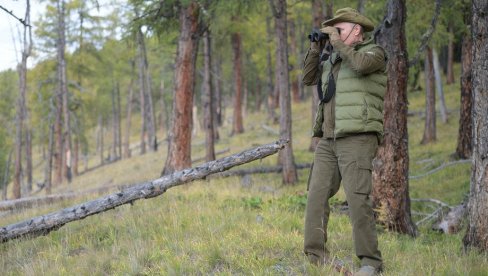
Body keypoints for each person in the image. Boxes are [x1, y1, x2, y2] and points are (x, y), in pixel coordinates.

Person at [302, 7, 387, 276]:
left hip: (358, 138)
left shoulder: (374, 54)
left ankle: (370, 263)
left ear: (357, 30)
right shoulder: (334, 60)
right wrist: (317, 48)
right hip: (329, 139)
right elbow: (307, 78)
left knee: (357, 199)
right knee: (316, 196)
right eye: (333, 29)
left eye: (340, 28)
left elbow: (359, 66)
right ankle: (316, 257)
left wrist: (336, 43)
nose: (334, 33)